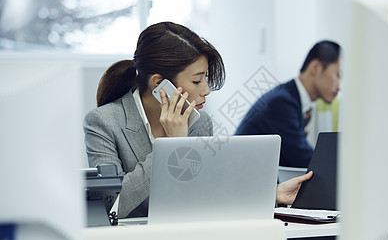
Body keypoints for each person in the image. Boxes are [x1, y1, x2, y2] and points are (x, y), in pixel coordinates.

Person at [84, 21, 312, 218]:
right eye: (196, 81)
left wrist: (272, 194)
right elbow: (112, 205)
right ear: (159, 84)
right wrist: (171, 147)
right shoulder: (103, 122)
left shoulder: (199, 123)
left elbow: (208, 194)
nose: (206, 90)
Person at [235, 40, 341, 168]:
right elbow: (303, 158)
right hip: (243, 178)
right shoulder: (281, 103)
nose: (339, 86)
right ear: (315, 68)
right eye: (337, 75)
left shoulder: (294, 100)